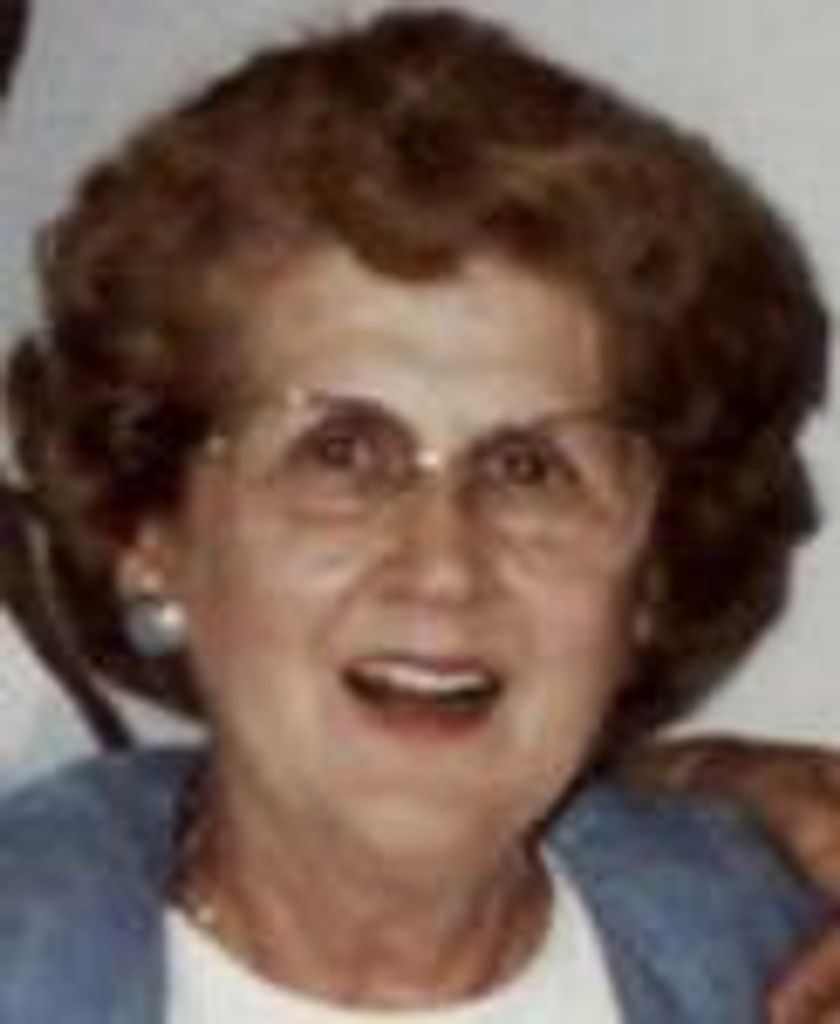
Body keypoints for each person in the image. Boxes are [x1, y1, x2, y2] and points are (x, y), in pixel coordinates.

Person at [0, 7, 832, 1020]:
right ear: (151, 534)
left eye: (529, 468)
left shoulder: (768, 964)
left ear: (649, 578)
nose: (443, 565)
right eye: (341, 452)